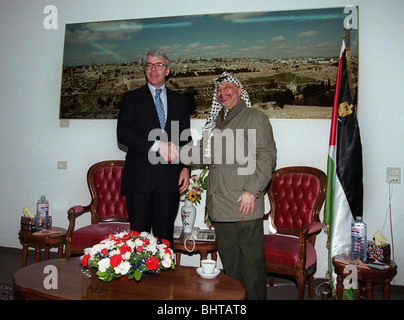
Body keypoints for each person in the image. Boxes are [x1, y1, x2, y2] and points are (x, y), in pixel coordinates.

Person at [175, 72, 277, 299]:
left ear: (240, 91)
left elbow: (266, 157)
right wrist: (175, 152)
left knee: (252, 264)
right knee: (230, 264)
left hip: (244, 203)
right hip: (220, 205)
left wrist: (252, 191)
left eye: (228, 87)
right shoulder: (215, 122)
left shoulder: (254, 117)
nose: (223, 92)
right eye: (219, 90)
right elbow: (202, 153)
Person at [117, 49, 191, 246]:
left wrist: (186, 167)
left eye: (159, 65)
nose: (153, 69)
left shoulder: (180, 101)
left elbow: (185, 137)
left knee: (164, 240)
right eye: (149, 65)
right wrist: (156, 145)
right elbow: (123, 134)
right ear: (145, 70)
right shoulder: (131, 98)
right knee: (137, 243)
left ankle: (164, 278)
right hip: (139, 179)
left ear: (167, 70)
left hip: (169, 179)